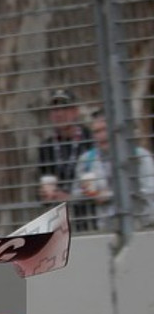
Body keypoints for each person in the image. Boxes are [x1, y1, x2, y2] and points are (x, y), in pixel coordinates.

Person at [71, 111, 154, 231]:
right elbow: (75, 194)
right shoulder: (87, 160)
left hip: (141, 225)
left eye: (104, 130)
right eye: (96, 132)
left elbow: (150, 190)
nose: (100, 136)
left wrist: (111, 195)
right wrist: (87, 194)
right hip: (104, 228)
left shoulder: (139, 156)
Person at [37, 89, 93, 223]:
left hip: (90, 215)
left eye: (64, 108)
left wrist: (71, 197)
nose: (59, 113)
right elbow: (43, 181)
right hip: (60, 218)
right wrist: (44, 195)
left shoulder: (90, 139)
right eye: (55, 109)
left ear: (75, 112)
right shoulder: (46, 147)